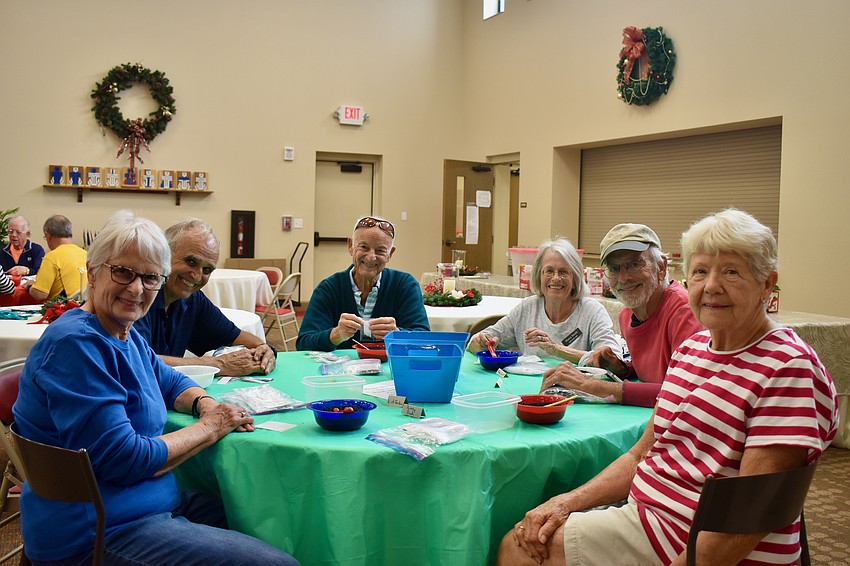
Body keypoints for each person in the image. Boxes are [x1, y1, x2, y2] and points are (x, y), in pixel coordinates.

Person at [498, 209, 838, 566]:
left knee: (519, 552)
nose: (711, 286)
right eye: (701, 271)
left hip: (698, 540)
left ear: (767, 284)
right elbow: (639, 456)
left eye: (731, 271)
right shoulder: (693, 350)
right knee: (524, 536)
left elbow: (746, 518)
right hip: (651, 520)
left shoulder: (787, 366)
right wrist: (565, 502)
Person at [12, 210, 299, 565]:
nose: (136, 288)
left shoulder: (124, 334)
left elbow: (170, 380)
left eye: (150, 277)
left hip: (150, 505)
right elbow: (125, 459)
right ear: (94, 271)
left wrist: (205, 403)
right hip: (99, 530)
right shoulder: (77, 345)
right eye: (123, 272)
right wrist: (212, 426)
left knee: (274, 519)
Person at [540, 224, 703, 406]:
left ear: (661, 267)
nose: (624, 278)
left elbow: (683, 391)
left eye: (634, 264)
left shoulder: (684, 313)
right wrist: (620, 369)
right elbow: (654, 374)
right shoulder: (627, 315)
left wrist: (588, 385)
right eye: (614, 268)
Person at [133, 218, 276, 377]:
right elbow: (135, 360)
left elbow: (235, 336)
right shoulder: (137, 295)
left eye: (207, 270)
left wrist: (264, 349)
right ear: (163, 254)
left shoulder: (193, 300)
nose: (197, 275)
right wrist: (218, 364)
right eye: (191, 261)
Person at [467, 238, 619, 361]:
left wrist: (556, 349)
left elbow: (613, 360)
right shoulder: (527, 308)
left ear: (575, 278)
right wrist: (481, 343)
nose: (556, 278)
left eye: (563, 272)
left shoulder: (592, 312)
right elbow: (474, 345)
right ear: (539, 276)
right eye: (549, 271)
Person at [296, 215, 429, 351]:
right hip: (341, 365)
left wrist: (397, 334)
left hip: (389, 364)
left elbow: (424, 339)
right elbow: (304, 343)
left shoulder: (404, 285)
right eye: (364, 247)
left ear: (390, 254)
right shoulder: (329, 288)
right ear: (350, 246)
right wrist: (336, 335)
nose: (371, 257)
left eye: (380, 250)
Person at [23, 214, 87, 301]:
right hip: (87, 304)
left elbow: (40, 294)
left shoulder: (52, 257)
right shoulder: (86, 254)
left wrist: (29, 287)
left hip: (65, 306)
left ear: (48, 235)